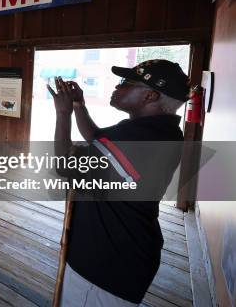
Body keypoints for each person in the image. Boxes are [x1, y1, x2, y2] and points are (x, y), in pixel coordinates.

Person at [47, 59, 190, 306]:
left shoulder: (141, 141)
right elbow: (95, 137)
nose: (118, 86)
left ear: (150, 95)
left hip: (105, 263)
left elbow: (64, 165)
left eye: (126, 83)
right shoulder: (156, 130)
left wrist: (62, 113)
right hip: (123, 251)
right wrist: (79, 104)